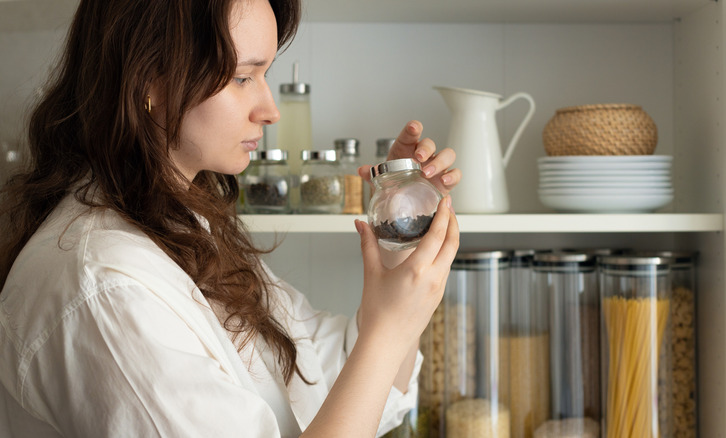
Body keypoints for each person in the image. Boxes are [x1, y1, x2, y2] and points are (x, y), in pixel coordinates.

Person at [0, 0, 461, 437]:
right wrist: (389, 328)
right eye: (243, 77)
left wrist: (401, 239)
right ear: (150, 81)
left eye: (266, 74)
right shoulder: (106, 286)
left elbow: (342, 383)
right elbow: (368, 367)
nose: (270, 110)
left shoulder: (183, 228)